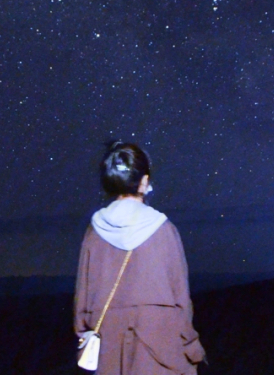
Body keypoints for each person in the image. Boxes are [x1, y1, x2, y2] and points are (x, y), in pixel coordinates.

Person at [74, 141, 206, 374]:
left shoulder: (94, 232)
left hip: (109, 348)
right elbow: (181, 300)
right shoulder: (164, 229)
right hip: (160, 346)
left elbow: (82, 302)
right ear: (144, 182)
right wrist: (191, 347)